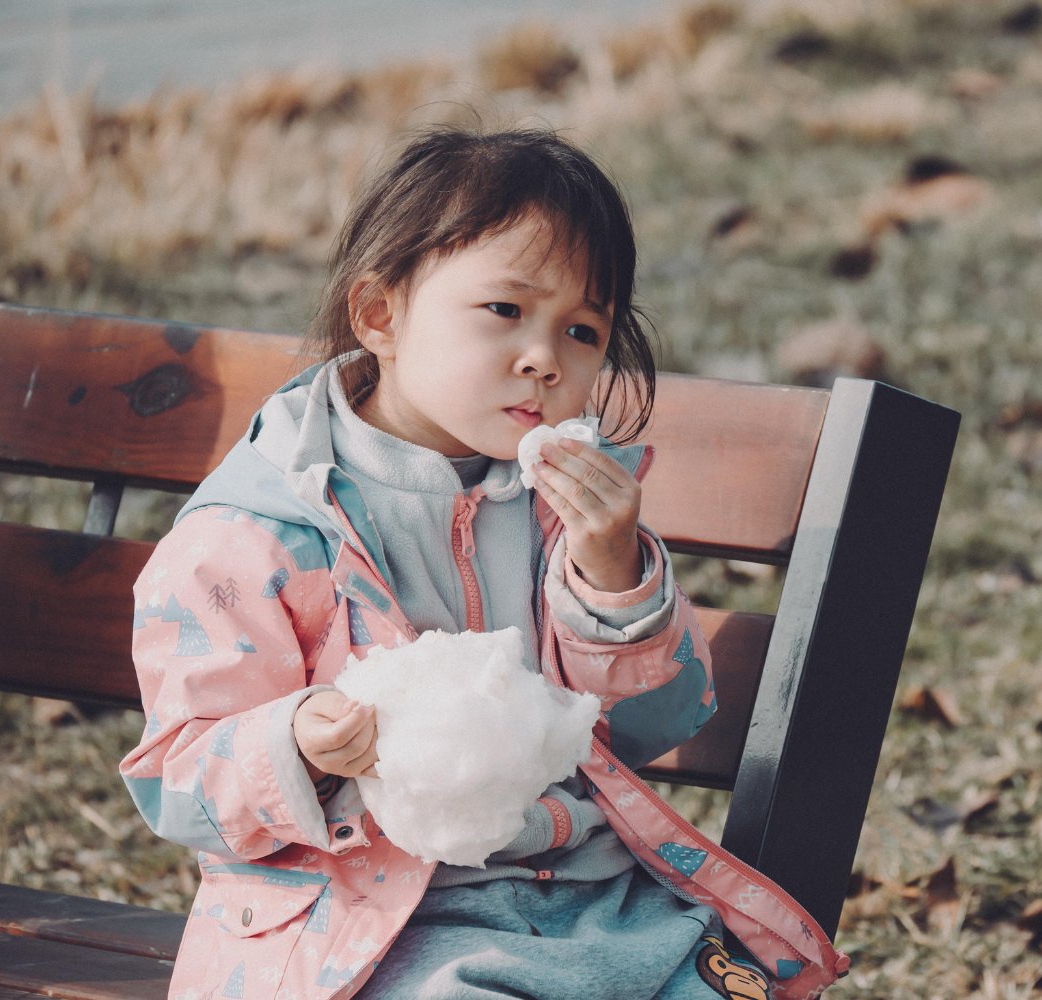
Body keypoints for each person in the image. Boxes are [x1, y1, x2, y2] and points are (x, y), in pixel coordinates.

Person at [118, 126, 830, 1000]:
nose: (545, 358)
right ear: (381, 315)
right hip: (372, 927)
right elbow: (179, 785)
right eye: (505, 310)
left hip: (590, 900)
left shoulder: (565, 508)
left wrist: (612, 577)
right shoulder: (258, 535)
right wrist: (295, 742)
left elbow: (650, 727)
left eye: (581, 329)